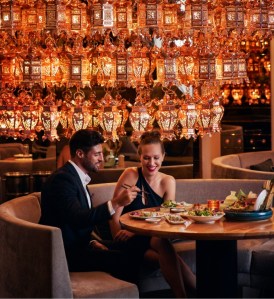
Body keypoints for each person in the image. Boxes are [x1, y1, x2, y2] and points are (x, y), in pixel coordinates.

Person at [39, 129, 141, 282]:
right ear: (80, 154)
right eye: (96, 154)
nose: (102, 158)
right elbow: (78, 218)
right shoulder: (62, 180)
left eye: (101, 153)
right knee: (125, 259)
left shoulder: (76, 176)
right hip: (65, 253)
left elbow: (76, 222)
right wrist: (117, 202)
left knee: (133, 248)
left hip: (79, 245)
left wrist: (93, 241)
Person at [109, 130, 196, 298]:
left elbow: (165, 218)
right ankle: (195, 293)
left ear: (163, 156)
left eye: (156, 157)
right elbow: (114, 213)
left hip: (151, 235)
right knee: (168, 254)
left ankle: (184, 296)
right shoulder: (130, 175)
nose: (151, 163)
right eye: (146, 157)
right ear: (139, 157)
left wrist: (135, 230)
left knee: (162, 243)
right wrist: (118, 240)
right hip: (126, 238)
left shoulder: (168, 181)